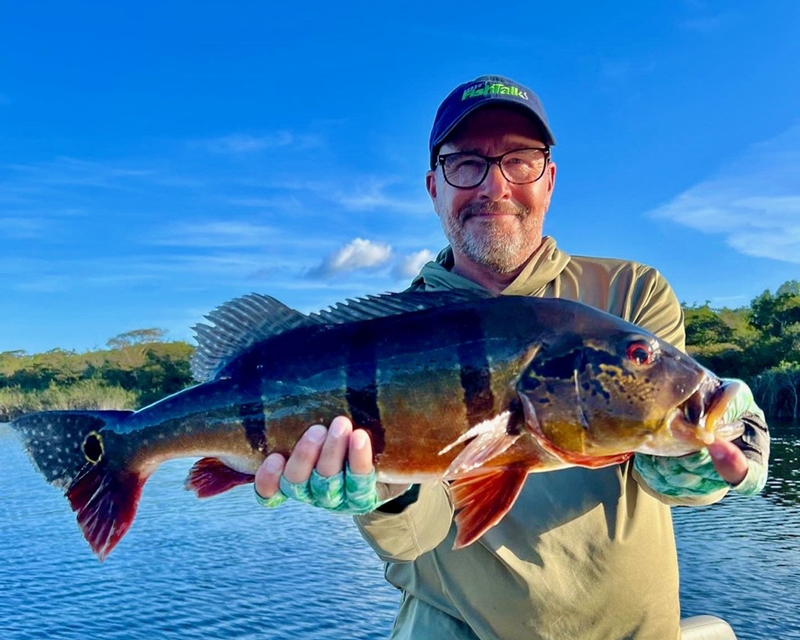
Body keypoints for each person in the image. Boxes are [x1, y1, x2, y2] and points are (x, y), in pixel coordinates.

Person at [253, 75, 770, 640]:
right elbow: (414, 543)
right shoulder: (397, 326)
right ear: (434, 187)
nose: (494, 186)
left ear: (549, 181)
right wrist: (382, 495)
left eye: (519, 161)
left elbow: (667, 456)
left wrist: (709, 458)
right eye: (466, 163)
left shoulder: (631, 294)